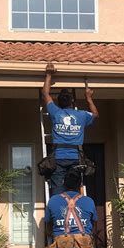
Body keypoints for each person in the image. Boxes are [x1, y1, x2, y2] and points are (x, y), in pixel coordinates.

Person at [42, 63, 99, 196]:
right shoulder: (81, 115)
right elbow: (96, 115)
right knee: (74, 191)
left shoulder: (55, 112)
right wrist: (89, 98)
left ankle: (58, 214)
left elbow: (45, 93)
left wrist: (49, 74)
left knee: (57, 191)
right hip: (75, 158)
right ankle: (73, 213)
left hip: (59, 158)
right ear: (72, 102)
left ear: (59, 102)